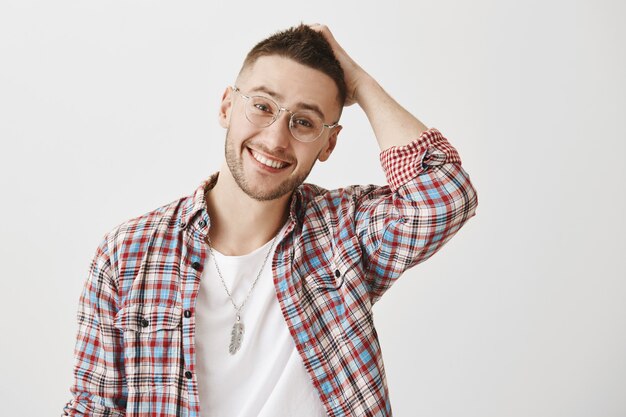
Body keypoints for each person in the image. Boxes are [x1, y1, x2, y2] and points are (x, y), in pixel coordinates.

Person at [62, 23, 478, 417]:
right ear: (227, 106)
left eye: (304, 122)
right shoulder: (129, 253)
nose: (276, 139)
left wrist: (360, 84)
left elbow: (446, 193)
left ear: (329, 143)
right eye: (262, 106)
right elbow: (94, 407)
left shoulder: (343, 234)